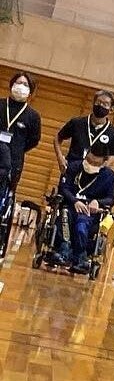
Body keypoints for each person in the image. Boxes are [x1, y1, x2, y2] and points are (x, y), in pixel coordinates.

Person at [51, 148, 114, 272]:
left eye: (95, 163)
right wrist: (74, 201)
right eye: (89, 160)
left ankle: (80, 256)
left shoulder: (109, 176)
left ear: (104, 162)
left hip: (89, 212)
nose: (90, 164)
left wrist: (98, 202)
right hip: (71, 206)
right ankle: (64, 250)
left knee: (81, 226)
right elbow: (64, 188)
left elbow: (111, 198)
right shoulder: (74, 167)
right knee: (65, 218)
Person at [2, 73, 42, 250]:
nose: (21, 86)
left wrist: (16, 150)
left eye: (25, 84)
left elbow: (33, 140)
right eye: (18, 82)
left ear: (30, 91)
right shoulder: (1, 105)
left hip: (13, 161)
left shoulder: (33, 116)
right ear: (11, 85)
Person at [55, 89, 114, 171]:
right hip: (71, 169)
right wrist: (60, 158)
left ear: (111, 109)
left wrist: (102, 168)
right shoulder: (77, 122)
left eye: (105, 104)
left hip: (94, 173)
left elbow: (113, 155)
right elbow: (58, 138)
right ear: (93, 103)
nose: (101, 105)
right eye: (98, 102)